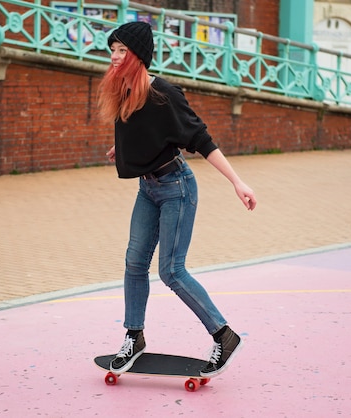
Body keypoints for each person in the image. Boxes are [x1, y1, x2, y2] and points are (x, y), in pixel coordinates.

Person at [97, 21, 257, 378]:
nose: (114, 56)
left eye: (123, 50)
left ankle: (224, 335)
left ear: (138, 56)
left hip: (177, 188)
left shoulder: (164, 93)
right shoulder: (124, 91)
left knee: (171, 270)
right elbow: (142, 131)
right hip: (148, 189)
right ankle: (134, 336)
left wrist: (237, 182)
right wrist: (122, 149)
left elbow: (199, 138)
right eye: (114, 49)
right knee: (134, 263)